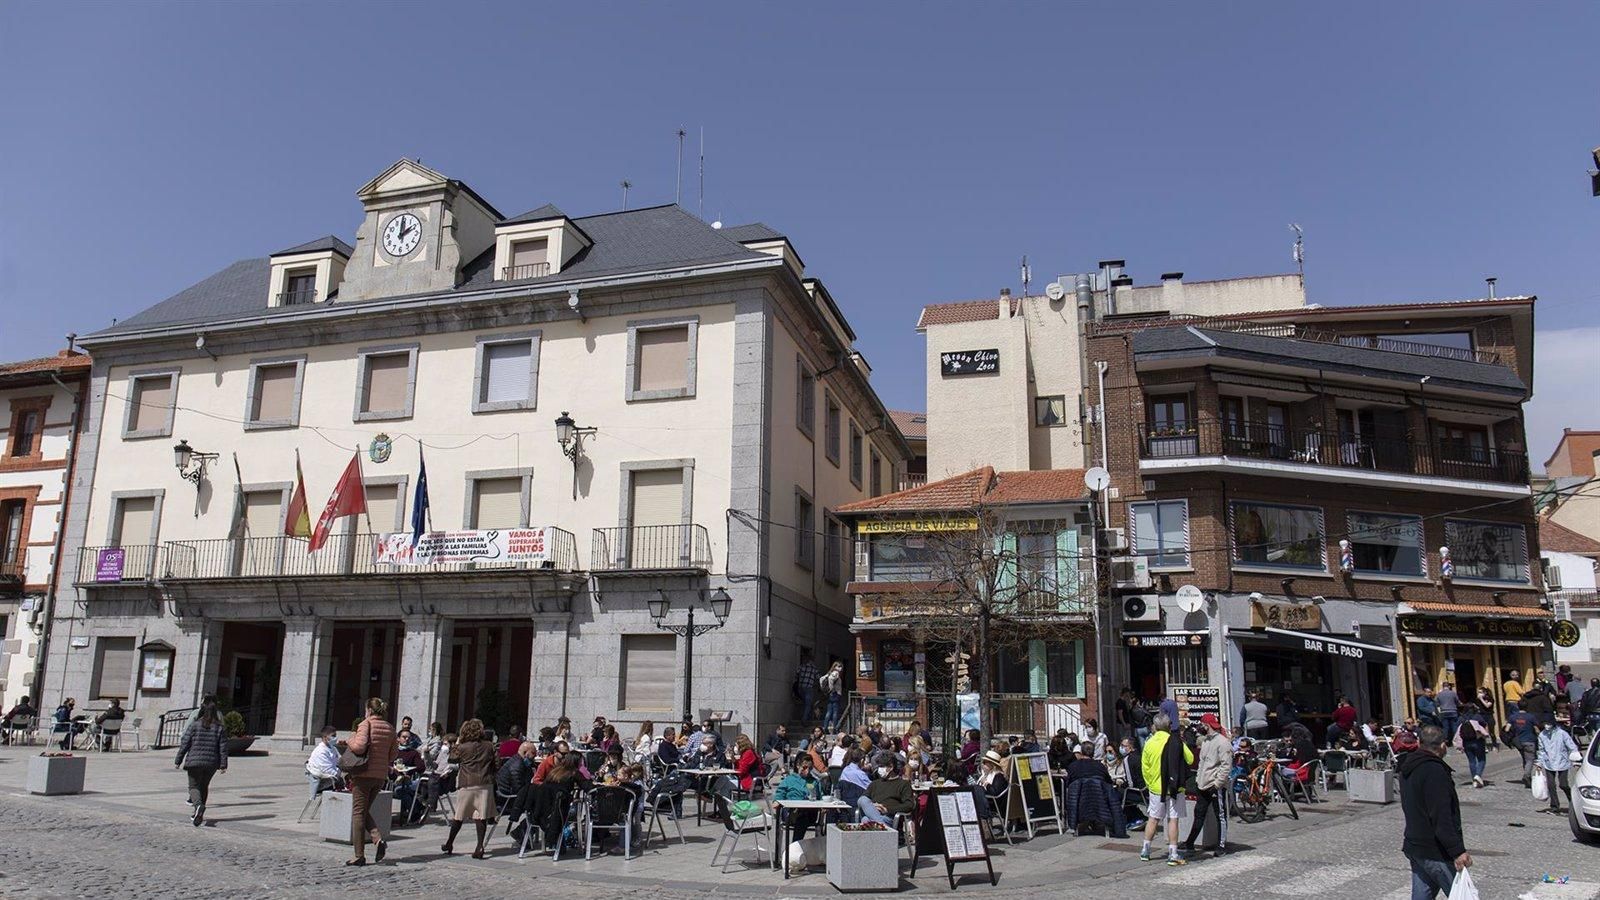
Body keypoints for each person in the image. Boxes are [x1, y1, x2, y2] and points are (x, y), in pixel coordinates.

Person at [1399, 725, 1470, 899]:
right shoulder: (1434, 771)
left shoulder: (1408, 767)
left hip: (1415, 843)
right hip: (1435, 850)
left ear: (1419, 743)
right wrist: (1457, 851)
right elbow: (1441, 816)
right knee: (1461, 895)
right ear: (1442, 745)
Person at [344, 697, 398, 866]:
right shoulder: (390, 728)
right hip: (379, 776)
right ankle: (378, 840)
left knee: (358, 813)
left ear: (369, 709)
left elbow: (359, 746)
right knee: (364, 810)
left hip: (363, 774)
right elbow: (394, 755)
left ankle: (359, 855)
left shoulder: (365, 724)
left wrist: (349, 740)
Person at [1139, 712, 1194, 866]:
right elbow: (1190, 759)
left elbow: (1145, 767)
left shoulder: (1149, 743)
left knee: (1153, 818)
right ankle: (1173, 853)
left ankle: (1145, 850)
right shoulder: (1176, 741)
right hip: (1175, 787)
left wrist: (1150, 783)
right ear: (1169, 726)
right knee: (1173, 820)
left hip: (1156, 787)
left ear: (1155, 726)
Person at [443, 718, 498, 859]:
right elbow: (496, 764)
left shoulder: (462, 747)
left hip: (467, 783)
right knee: (481, 817)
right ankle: (480, 846)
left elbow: (452, 759)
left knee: (459, 816)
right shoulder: (489, 745)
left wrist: (457, 743)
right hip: (485, 783)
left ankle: (449, 842)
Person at [1179, 713, 1230, 859]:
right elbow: (1202, 762)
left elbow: (1226, 766)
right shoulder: (1206, 741)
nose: (1199, 727)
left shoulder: (1222, 742)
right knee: (1198, 813)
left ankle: (1221, 845)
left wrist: (1218, 783)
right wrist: (1198, 781)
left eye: (1201, 724)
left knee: (1220, 815)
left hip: (1214, 785)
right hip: (1202, 784)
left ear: (1206, 725)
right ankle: (1190, 842)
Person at [174, 699, 228, 827]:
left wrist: (178, 760)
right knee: (204, 786)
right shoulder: (219, 728)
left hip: (194, 760)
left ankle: (198, 806)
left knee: (193, 787)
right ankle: (198, 813)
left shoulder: (195, 725)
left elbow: (185, 743)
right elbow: (223, 747)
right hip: (211, 762)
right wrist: (223, 764)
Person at [774, 753, 823, 844]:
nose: (807, 771)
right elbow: (780, 793)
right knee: (801, 816)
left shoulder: (814, 781)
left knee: (804, 816)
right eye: (804, 768)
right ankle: (795, 845)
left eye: (810, 768)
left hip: (810, 813)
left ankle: (796, 846)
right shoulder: (789, 780)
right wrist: (777, 801)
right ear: (798, 766)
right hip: (791, 812)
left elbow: (821, 797)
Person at [1535, 720, 1578, 816]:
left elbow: (1572, 746)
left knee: (1563, 784)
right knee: (1551, 785)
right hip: (1548, 763)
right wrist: (1539, 764)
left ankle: (1574, 802)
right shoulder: (1542, 735)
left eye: (1549, 723)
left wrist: (1576, 759)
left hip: (1562, 762)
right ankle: (1554, 806)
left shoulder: (1562, 734)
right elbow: (1541, 750)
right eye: (1545, 723)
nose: (1547, 725)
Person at [858, 758, 913, 828]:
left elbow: (909, 805)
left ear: (891, 767)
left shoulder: (903, 784)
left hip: (889, 817)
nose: (879, 770)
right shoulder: (875, 783)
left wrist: (887, 809)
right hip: (873, 815)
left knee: (865, 820)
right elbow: (863, 801)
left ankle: (882, 826)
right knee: (863, 800)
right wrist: (873, 806)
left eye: (881, 766)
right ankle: (883, 827)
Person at [1504, 703, 1539, 786]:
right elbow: (1536, 729)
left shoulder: (1513, 717)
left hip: (1519, 742)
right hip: (1530, 740)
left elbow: (1507, 729)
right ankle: (1526, 776)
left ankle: (1528, 777)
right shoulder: (1530, 717)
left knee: (1525, 758)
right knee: (1530, 759)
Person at [1455, 705, 1489, 789]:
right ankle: (1477, 776)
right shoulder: (1477, 716)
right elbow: (1484, 725)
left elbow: (1457, 728)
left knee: (1471, 761)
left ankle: (1474, 780)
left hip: (1466, 742)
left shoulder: (1461, 718)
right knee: (1482, 759)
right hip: (1478, 741)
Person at [307, 725, 342, 792]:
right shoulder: (321, 751)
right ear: (325, 737)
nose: (335, 738)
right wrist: (339, 775)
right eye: (333, 736)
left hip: (331, 775)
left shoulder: (332, 748)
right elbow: (327, 769)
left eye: (335, 735)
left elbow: (339, 760)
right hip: (322, 780)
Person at [795, 648, 819, 723]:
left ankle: (805, 716)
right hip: (809, 687)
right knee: (808, 704)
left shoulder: (801, 667)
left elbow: (796, 675)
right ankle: (805, 719)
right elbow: (818, 677)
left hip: (800, 687)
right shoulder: (813, 668)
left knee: (805, 703)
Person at [820, 660, 844, 732]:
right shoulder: (836, 673)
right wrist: (831, 689)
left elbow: (821, 679)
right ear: (835, 666)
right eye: (839, 666)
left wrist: (824, 690)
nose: (841, 668)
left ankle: (825, 727)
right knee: (835, 712)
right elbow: (830, 679)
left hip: (831, 695)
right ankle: (835, 728)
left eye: (841, 667)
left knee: (829, 711)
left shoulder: (829, 673)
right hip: (835, 694)